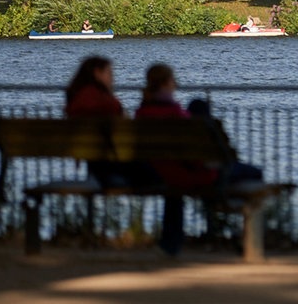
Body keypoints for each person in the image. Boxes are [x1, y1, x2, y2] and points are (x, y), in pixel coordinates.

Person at [137, 64, 262, 255]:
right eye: (173, 80)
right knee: (253, 173)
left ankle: (173, 243)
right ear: (165, 84)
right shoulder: (175, 114)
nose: (175, 84)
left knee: (175, 189)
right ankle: (243, 234)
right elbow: (195, 156)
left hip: (159, 171)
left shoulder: (142, 113)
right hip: (193, 174)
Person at [65, 57, 157, 189]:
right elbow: (129, 131)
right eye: (109, 73)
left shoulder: (75, 99)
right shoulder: (106, 102)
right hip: (116, 164)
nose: (113, 78)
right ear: (97, 73)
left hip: (94, 166)